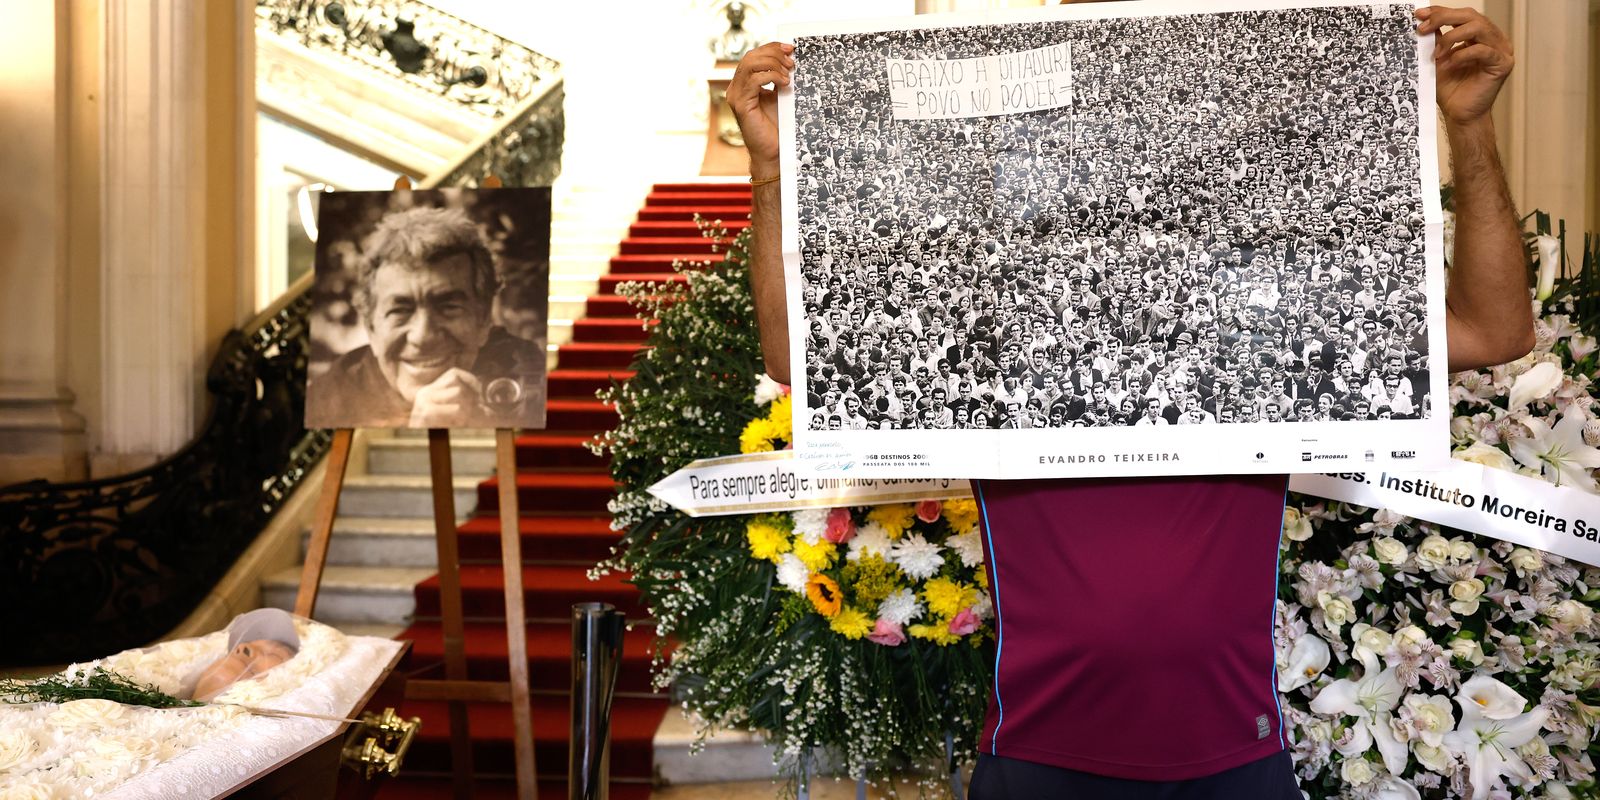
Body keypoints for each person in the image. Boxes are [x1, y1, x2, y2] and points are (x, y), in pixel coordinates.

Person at [728, 5, 1532, 798]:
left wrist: (1469, 128)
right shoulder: (992, 332)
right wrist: (770, 171)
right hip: (1038, 755)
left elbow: (1496, 331)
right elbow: (793, 357)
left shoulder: (1260, 320)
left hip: (1236, 756)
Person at [306, 206, 544, 428]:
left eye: (449, 307)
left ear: (483, 320)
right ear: (371, 329)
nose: (423, 336)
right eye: (400, 311)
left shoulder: (524, 368)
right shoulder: (327, 402)